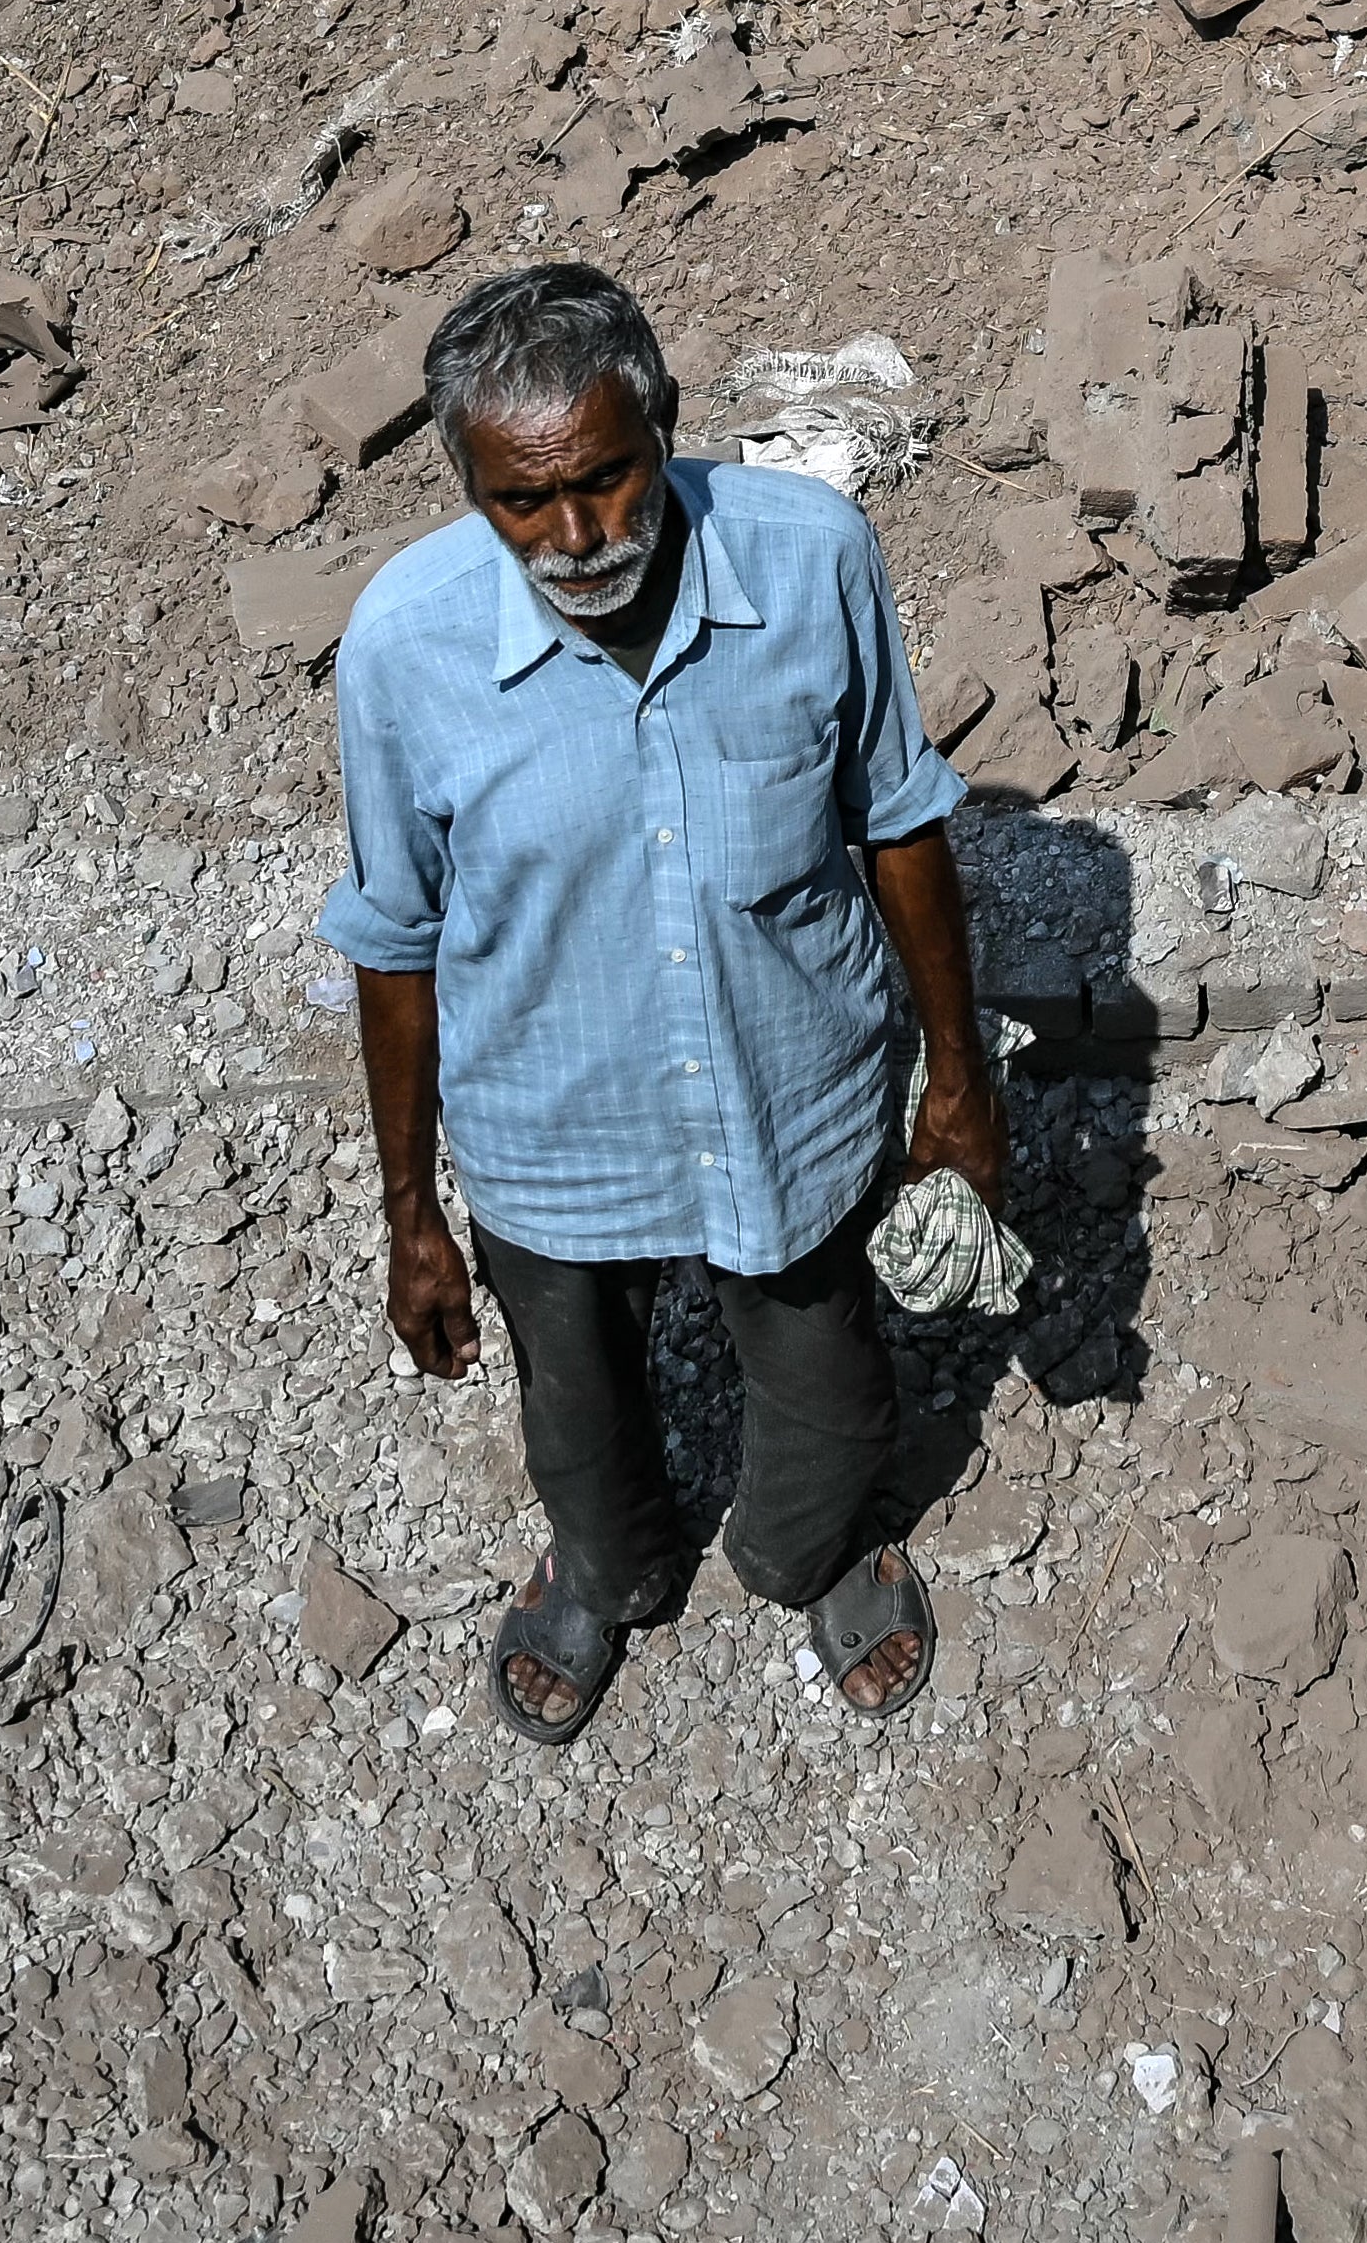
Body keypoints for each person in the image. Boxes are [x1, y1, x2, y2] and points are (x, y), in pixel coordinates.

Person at [325, 260, 1009, 1738]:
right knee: (574, 1409)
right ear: (466, 485)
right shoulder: (400, 644)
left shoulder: (812, 556)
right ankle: (606, 1565)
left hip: (792, 1085)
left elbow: (897, 819)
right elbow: (392, 938)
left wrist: (956, 1072)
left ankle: (805, 1549)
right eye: (522, 503)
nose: (575, 536)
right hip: (547, 1122)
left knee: (824, 1382)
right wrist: (412, 1216)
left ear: (666, 425)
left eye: (609, 480)